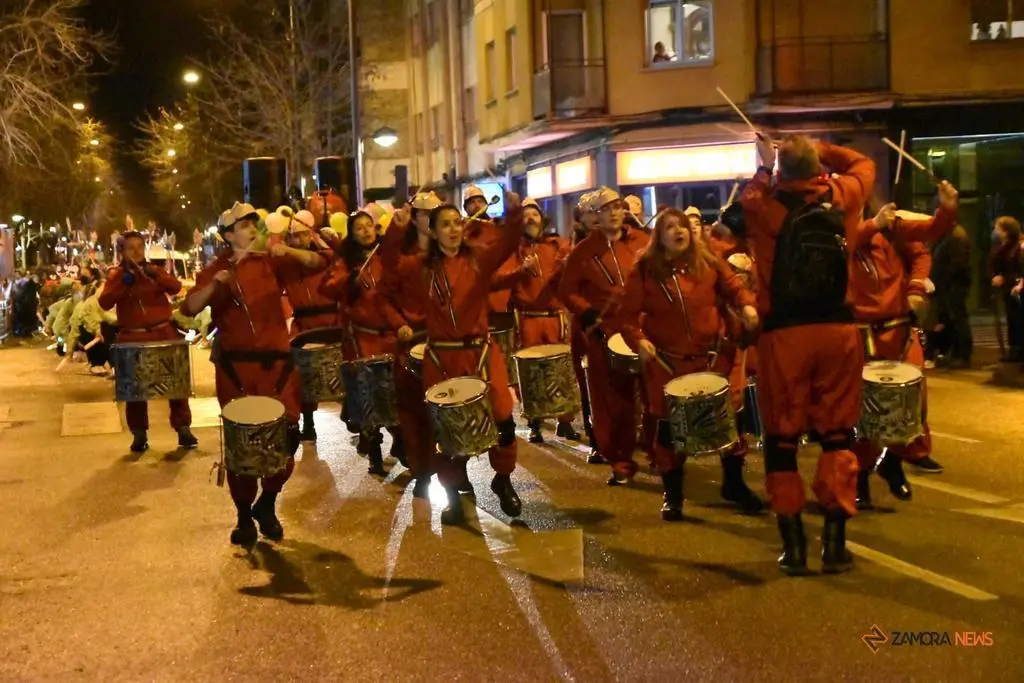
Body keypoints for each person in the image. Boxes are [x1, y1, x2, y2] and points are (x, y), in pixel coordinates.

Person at [739, 135, 875, 575]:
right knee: (838, 434)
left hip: (784, 335)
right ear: (817, 167)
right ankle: (835, 544)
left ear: (781, 171)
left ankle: (793, 547)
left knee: (781, 438)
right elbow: (862, 163)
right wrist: (820, 146)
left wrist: (766, 165)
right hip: (838, 329)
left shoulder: (762, 202)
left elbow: (750, 193)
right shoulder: (845, 196)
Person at [181, 202, 323, 547]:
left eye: (253, 224)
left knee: (285, 441)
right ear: (228, 235)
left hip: (278, 366)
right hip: (237, 370)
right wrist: (216, 285)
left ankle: (268, 503)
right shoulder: (216, 268)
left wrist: (288, 247)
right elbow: (189, 308)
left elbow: (317, 263)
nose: (252, 230)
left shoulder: (271, 261)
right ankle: (244, 514)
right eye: (245, 225)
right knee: (243, 446)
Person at [382, 194, 526, 524]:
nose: (453, 229)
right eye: (444, 224)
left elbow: (509, 241)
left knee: (503, 418)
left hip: (481, 353)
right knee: (446, 434)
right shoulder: (419, 266)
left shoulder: (479, 259)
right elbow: (388, 265)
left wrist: (515, 210)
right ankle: (454, 495)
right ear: (432, 231)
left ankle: (502, 479)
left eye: (457, 223)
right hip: (442, 358)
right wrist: (394, 230)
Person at [618, 208, 762, 519]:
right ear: (660, 236)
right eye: (669, 227)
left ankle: (734, 484)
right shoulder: (645, 270)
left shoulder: (709, 261)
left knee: (730, 423)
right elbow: (626, 316)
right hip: (669, 364)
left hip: (713, 358)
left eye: (681, 226)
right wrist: (638, 341)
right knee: (671, 430)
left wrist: (747, 307)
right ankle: (673, 494)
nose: (677, 231)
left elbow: (736, 289)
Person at [850, 186, 960, 509]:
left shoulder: (890, 225)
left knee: (911, 402)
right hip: (860, 332)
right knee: (865, 414)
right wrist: (873, 225)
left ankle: (893, 461)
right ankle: (860, 477)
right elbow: (845, 245)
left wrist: (947, 210)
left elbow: (926, 241)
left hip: (898, 327)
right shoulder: (833, 227)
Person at [560, 187, 647, 483]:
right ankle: (620, 461)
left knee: (654, 395)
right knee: (613, 401)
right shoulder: (582, 252)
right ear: (595, 217)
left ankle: (660, 453)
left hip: (642, 329)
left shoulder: (642, 243)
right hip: (605, 332)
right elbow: (567, 290)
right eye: (606, 209)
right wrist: (587, 313)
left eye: (618, 207)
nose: (614, 213)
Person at [321, 207, 408, 476]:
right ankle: (374, 452)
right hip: (362, 338)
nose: (366, 231)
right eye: (358, 227)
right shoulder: (345, 262)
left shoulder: (385, 255)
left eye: (368, 226)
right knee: (369, 394)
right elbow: (327, 288)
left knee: (395, 393)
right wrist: (350, 282)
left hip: (390, 335)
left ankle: (401, 442)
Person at [98, 231, 198, 453]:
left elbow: (175, 287)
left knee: (175, 383)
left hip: (162, 332)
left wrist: (155, 275)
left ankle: (183, 427)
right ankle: (139, 433)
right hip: (133, 335)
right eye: (130, 248)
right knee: (134, 389)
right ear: (122, 252)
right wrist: (123, 285)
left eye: (139, 247)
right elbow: (104, 303)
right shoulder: (116, 276)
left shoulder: (154, 270)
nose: (136, 252)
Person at [379, 191, 443, 497]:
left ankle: (454, 471)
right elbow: (385, 297)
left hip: (446, 342)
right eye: (426, 214)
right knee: (413, 410)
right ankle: (422, 470)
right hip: (412, 342)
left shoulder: (452, 256)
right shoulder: (403, 260)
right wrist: (399, 324)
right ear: (415, 219)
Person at [505, 197, 580, 443]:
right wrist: (519, 271)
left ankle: (565, 421)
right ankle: (535, 421)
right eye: (525, 215)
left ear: (542, 218)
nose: (530, 219)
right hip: (528, 319)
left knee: (562, 371)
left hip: (555, 318)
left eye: (534, 214)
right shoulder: (513, 250)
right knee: (532, 374)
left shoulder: (556, 245)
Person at [278, 209, 340, 441]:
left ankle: (358, 421)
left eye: (304, 235)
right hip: (304, 322)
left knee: (340, 371)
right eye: (294, 236)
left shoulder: (325, 254)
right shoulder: (285, 263)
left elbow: (311, 260)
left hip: (331, 320)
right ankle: (307, 422)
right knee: (302, 374)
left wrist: (287, 250)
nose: (300, 240)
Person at [929, 223, 973, 368]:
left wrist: (944, 280)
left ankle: (962, 354)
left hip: (953, 286)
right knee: (950, 320)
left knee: (958, 319)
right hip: (947, 286)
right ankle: (953, 352)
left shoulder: (956, 236)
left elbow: (957, 264)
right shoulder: (947, 235)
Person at [989, 216, 1023, 361]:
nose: (995, 231)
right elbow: (992, 265)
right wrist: (995, 276)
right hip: (1006, 290)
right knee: (1011, 320)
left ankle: (1019, 350)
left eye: (998, 228)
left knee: (1019, 320)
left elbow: (1019, 270)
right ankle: (1014, 350)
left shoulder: (1018, 247)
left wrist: (1006, 279)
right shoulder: (999, 247)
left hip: (1016, 288)